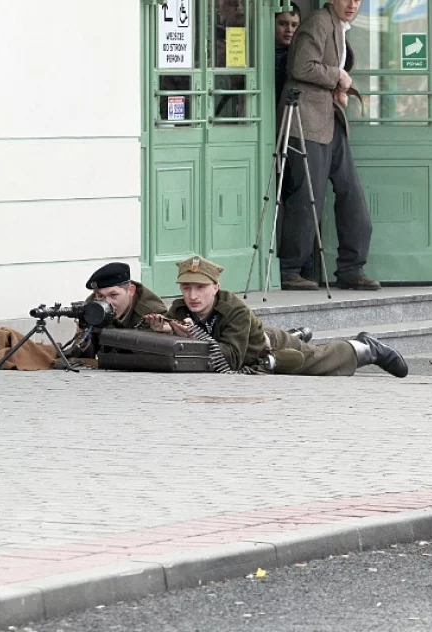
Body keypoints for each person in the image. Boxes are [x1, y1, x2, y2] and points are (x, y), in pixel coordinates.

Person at [148, 255, 407, 377]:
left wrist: (189, 336)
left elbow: (233, 358)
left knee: (320, 361)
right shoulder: (179, 310)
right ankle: (300, 334)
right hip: (255, 348)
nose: (192, 296)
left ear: (215, 287)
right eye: (186, 288)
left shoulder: (234, 309)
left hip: (268, 347)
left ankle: (366, 347)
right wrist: (166, 331)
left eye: (200, 288)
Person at [279, 0, 379, 292]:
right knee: (307, 196)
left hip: (329, 120)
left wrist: (338, 86)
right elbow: (302, 66)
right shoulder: (318, 22)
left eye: (358, 0)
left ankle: (351, 267)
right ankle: (290, 270)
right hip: (306, 122)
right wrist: (337, 76)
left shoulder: (336, 24)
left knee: (351, 194)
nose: (352, 4)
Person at [68, 262, 168, 359]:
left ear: (131, 290)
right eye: (100, 296)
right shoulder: (94, 306)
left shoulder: (151, 311)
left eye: (113, 295)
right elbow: (82, 358)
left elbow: (157, 356)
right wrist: (83, 335)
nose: (107, 302)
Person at [274, 2, 301, 106]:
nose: (289, 30)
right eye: (283, 24)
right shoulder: (260, 53)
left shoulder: (300, 54)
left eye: (294, 25)